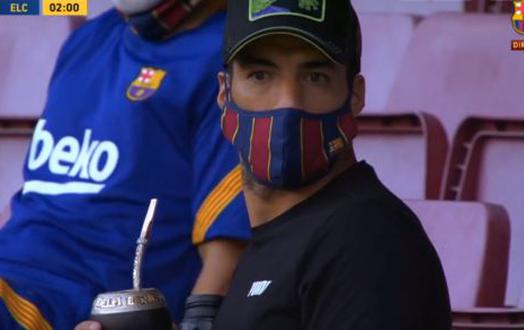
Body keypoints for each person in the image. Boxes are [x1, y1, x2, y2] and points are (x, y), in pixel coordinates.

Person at [0, 0, 250, 329]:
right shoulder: (89, 38)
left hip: (64, 307)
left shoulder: (230, 62)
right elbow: (40, 193)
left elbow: (227, 253)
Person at [209, 0, 452, 328]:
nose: (288, 103)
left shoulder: (364, 239)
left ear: (355, 95)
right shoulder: (286, 236)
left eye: (315, 77)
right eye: (260, 75)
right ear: (225, 94)